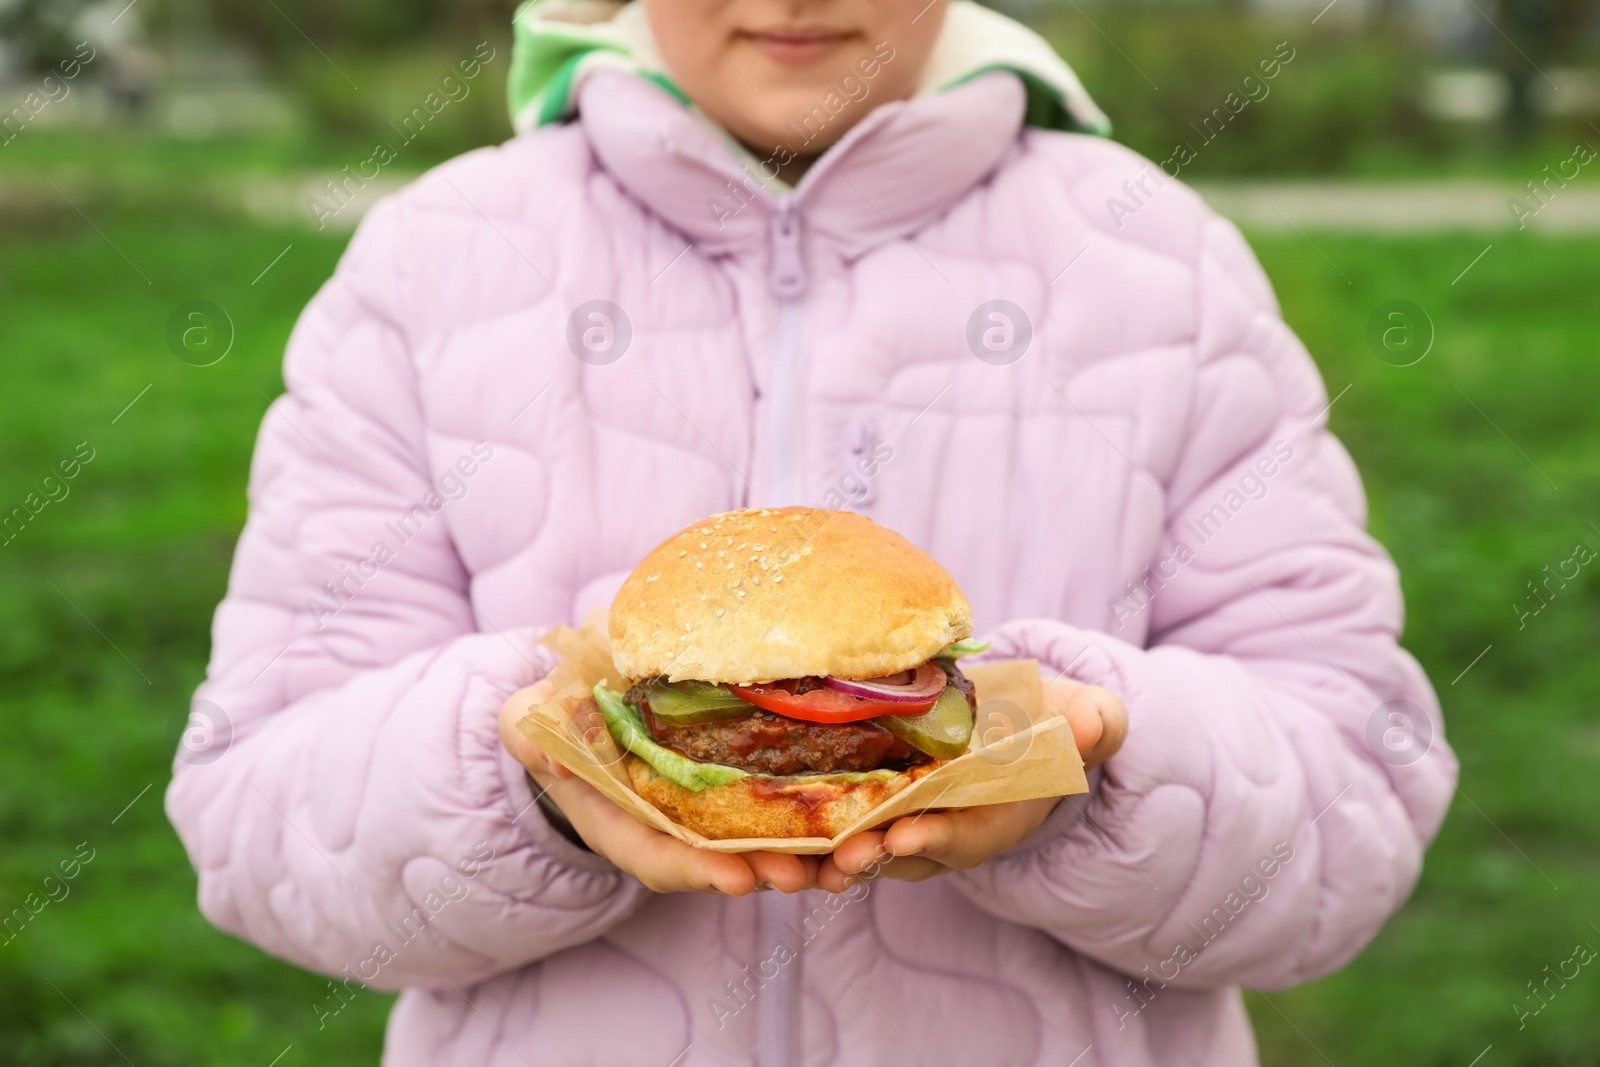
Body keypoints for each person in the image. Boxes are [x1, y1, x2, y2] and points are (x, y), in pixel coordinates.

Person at [166, 0, 1458, 1063]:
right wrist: (538, 788)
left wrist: (1086, 782)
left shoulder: (1163, 263)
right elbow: (252, 819)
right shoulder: (430, 265)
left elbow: (1358, 808)